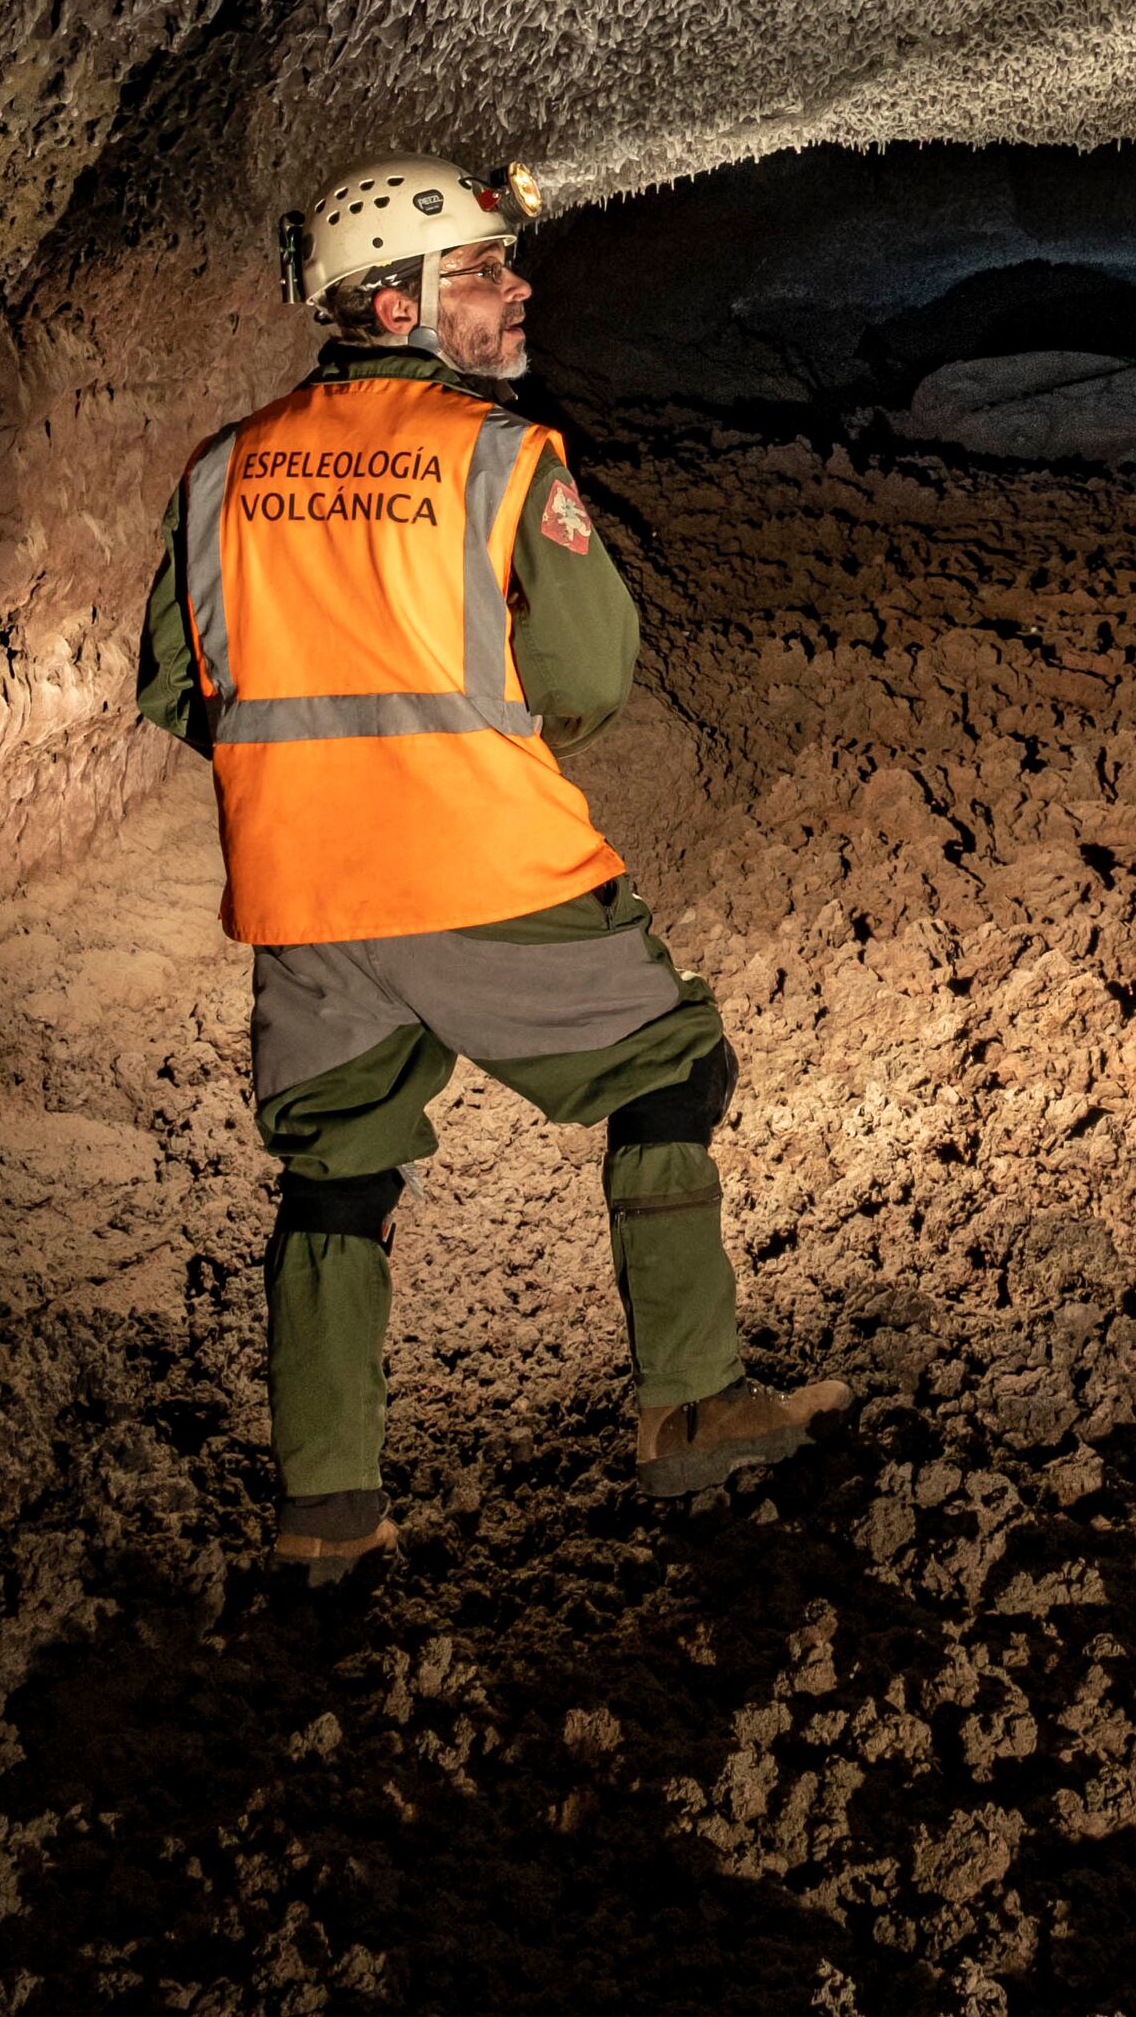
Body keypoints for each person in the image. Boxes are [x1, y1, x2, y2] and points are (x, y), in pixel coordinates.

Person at [140, 156, 839, 1579]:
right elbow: (589, 672)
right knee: (666, 1072)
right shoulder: (506, 459)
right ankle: (690, 1403)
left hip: (304, 897)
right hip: (486, 865)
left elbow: (178, 689)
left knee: (333, 1180)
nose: (518, 291)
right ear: (393, 301)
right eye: (481, 271)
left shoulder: (224, 469)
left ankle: (327, 1507)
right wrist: (488, 739)